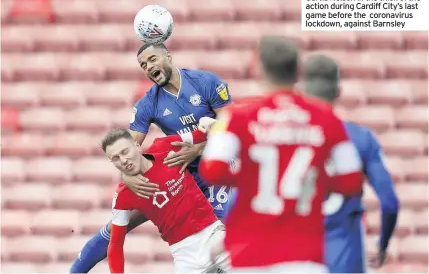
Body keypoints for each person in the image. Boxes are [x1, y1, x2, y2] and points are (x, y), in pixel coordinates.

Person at [199, 36, 364, 273]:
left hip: (249, 255)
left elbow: (212, 170)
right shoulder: (327, 119)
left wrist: (250, 177)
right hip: (304, 256)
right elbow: (352, 181)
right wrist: (314, 181)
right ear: (298, 71)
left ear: (259, 69)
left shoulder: (237, 117)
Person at [70, 43, 233, 273]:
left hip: (216, 169)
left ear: (168, 55)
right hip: (180, 172)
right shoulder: (148, 104)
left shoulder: (205, 82)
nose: (149, 67)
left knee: (230, 234)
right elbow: (128, 147)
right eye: (143, 65)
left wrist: (198, 149)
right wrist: (127, 178)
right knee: (119, 224)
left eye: (152, 59)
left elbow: (231, 129)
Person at [301, 54, 399, 273]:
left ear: (304, 92)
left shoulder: (284, 136)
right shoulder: (360, 138)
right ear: (337, 92)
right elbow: (390, 202)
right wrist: (382, 245)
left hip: (296, 257)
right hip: (344, 257)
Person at [103, 125, 229, 273]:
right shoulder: (122, 195)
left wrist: (197, 147)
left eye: (125, 151)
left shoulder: (164, 146)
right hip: (185, 257)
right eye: (115, 158)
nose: (123, 160)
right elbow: (116, 244)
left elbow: (205, 134)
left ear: (137, 146)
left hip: (214, 236)